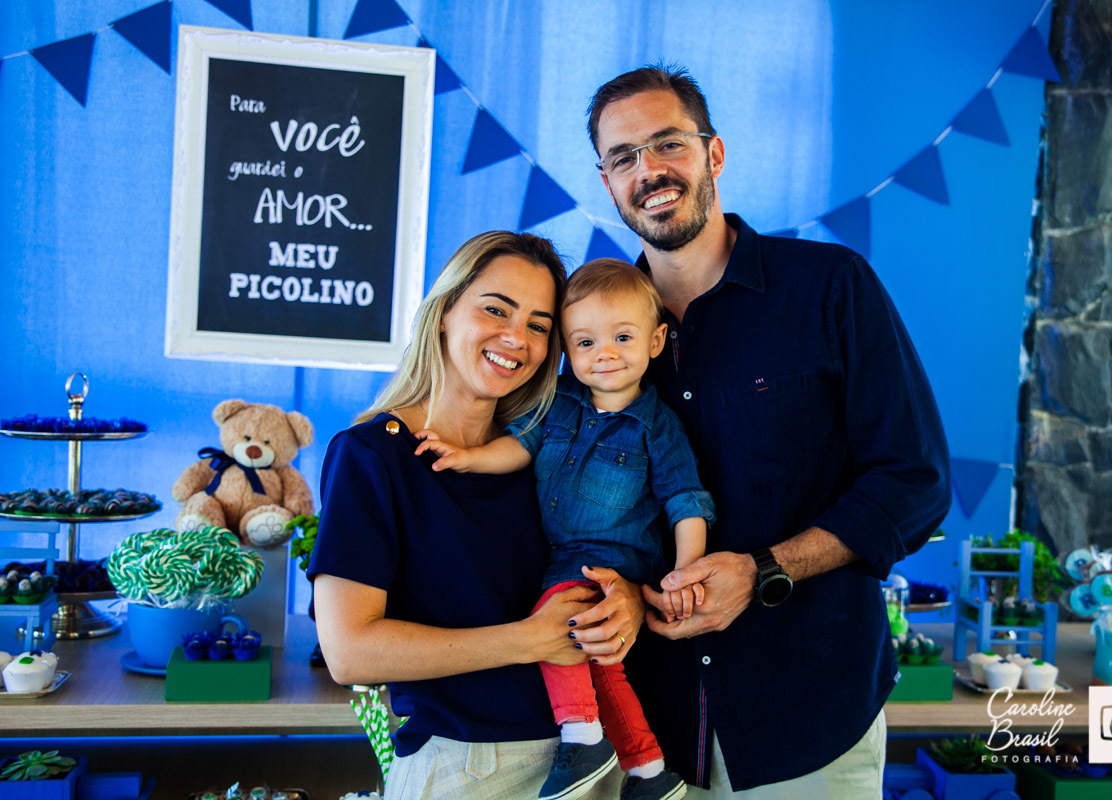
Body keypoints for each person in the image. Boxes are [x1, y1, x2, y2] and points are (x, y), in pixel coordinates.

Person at [585, 66, 952, 799]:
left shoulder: (830, 287)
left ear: (713, 153)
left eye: (668, 144)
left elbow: (915, 480)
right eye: (623, 157)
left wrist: (764, 570)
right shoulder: (592, 331)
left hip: (809, 717)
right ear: (607, 182)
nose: (648, 171)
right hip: (648, 733)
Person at [307, 231, 645, 800]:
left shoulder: (546, 451)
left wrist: (625, 602)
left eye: (539, 325)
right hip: (468, 768)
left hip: (596, 758)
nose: (516, 338)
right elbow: (349, 653)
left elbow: (603, 555)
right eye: (495, 309)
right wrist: (529, 640)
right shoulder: (372, 455)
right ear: (444, 312)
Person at [414, 258, 716, 800]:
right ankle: (649, 770)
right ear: (566, 351)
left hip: (613, 564)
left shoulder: (658, 427)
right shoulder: (560, 400)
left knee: (557, 624)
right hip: (563, 556)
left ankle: (582, 737)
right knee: (603, 665)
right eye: (585, 342)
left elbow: (686, 503)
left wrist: (684, 575)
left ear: (655, 341)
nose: (604, 353)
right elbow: (519, 447)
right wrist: (468, 458)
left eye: (622, 337)